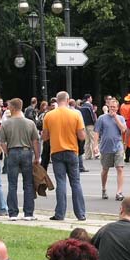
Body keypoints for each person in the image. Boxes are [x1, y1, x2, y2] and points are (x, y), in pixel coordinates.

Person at [42, 91, 87, 221]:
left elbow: (45, 137)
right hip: (72, 151)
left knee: (61, 182)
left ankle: (60, 213)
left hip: (56, 151)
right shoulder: (75, 114)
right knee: (75, 182)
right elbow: (82, 136)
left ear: (57, 101)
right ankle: (80, 214)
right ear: (67, 100)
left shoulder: (49, 116)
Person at [0, 97, 40, 220]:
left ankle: (13, 213)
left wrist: (7, 152)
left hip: (12, 151)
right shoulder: (30, 123)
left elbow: (2, 142)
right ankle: (28, 213)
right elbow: (35, 141)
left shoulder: (6, 123)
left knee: (12, 184)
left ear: (13, 108)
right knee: (28, 183)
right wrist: (37, 156)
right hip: (26, 151)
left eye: (9, 106)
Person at [93, 97, 126, 201]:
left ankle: (119, 192)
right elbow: (96, 132)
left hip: (118, 146)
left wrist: (116, 118)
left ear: (117, 108)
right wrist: (95, 145)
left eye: (114, 107)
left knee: (120, 168)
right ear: (108, 107)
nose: (112, 109)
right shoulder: (102, 118)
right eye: (111, 107)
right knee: (105, 169)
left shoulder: (120, 118)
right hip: (105, 147)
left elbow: (123, 129)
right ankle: (103, 189)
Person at [79, 93, 97, 163]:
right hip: (90, 124)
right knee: (93, 139)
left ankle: (87, 155)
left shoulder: (82, 106)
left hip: (84, 124)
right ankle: (95, 154)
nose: (91, 99)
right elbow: (92, 116)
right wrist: (95, 122)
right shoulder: (89, 106)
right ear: (88, 98)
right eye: (91, 98)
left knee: (87, 140)